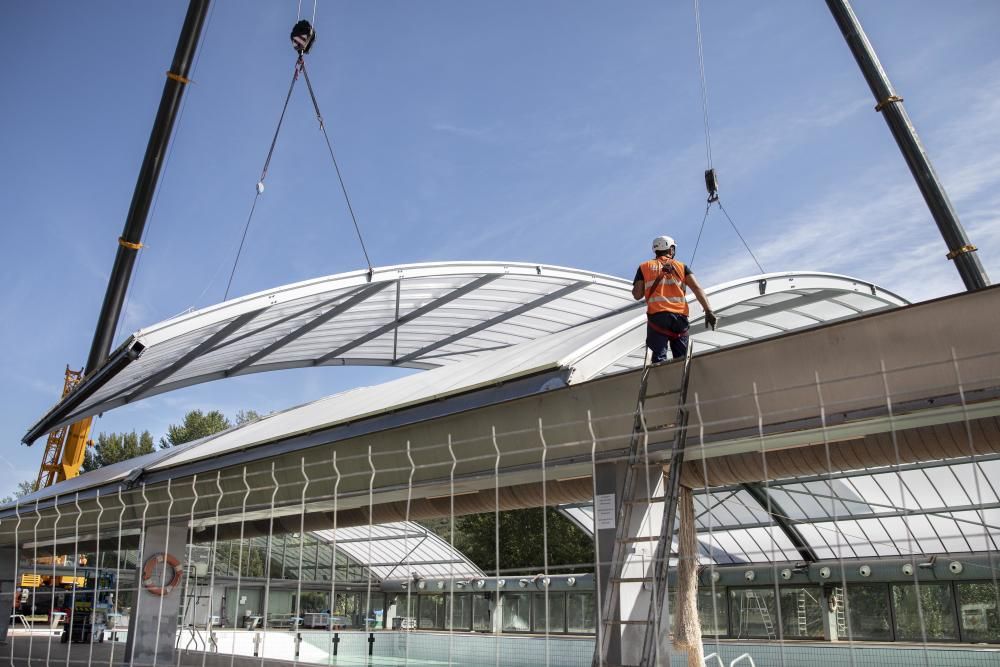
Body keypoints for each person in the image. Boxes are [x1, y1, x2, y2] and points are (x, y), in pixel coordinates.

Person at [632, 235, 717, 363]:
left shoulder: (644, 267)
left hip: (658, 318)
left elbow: (637, 295)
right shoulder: (681, 267)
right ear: (670, 249)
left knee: (658, 361)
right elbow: (697, 288)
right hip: (680, 318)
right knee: (683, 360)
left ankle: (662, 380)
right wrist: (708, 311)